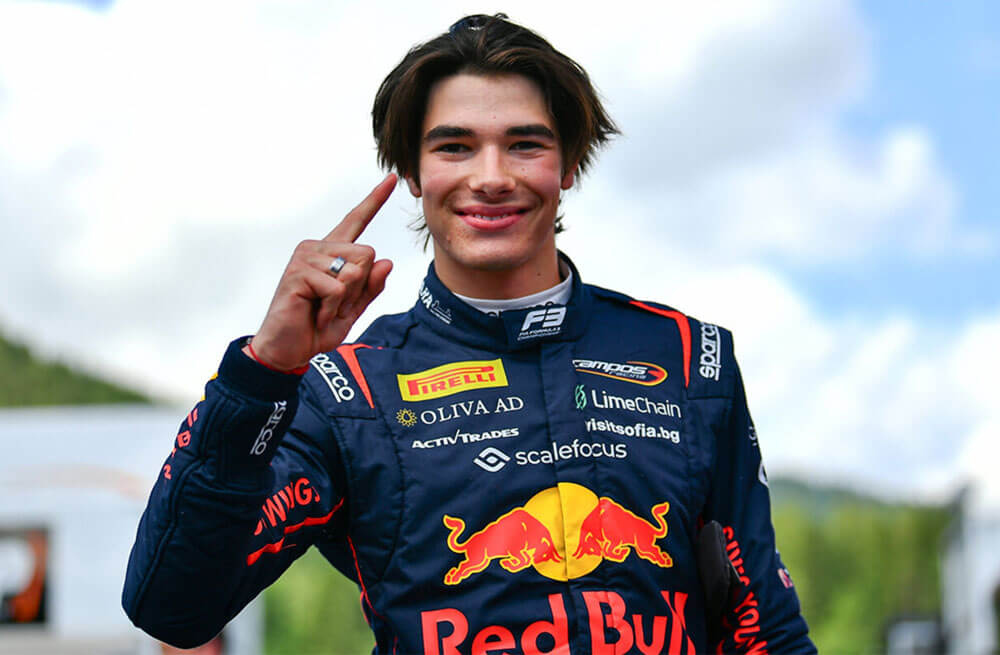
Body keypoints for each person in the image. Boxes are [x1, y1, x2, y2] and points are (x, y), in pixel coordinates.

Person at [123, 14, 814, 654]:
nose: (491, 177)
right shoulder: (348, 390)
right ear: (412, 173)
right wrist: (263, 372)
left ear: (569, 165)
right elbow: (171, 604)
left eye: (525, 144)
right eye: (455, 147)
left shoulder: (690, 358)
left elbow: (766, 628)